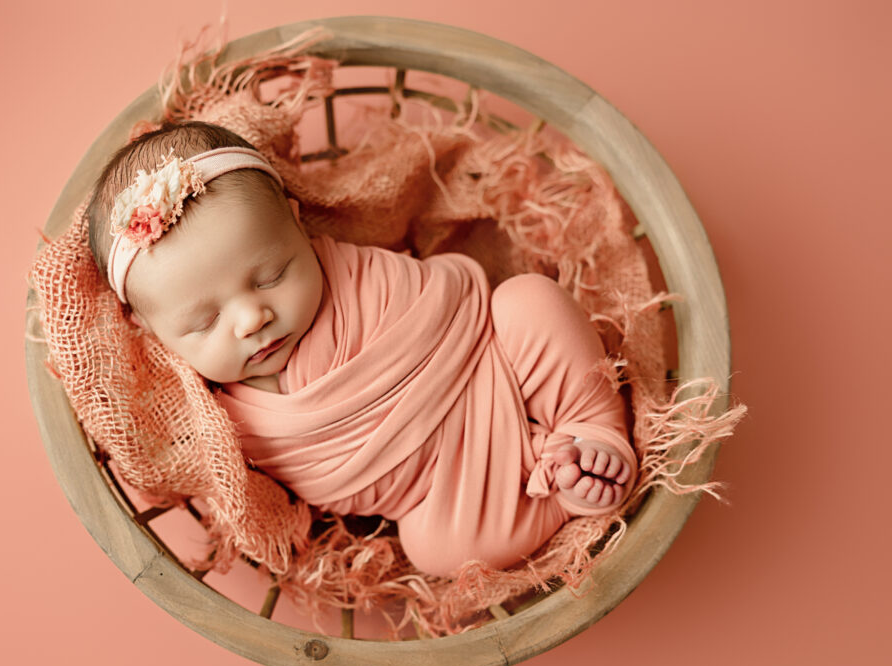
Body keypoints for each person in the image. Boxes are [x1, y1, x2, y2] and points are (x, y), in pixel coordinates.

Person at [86, 121, 637, 577]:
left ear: (299, 227)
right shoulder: (219, 420)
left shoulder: (353, 271)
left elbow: (450, 302)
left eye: (273, 274)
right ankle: (564, 495)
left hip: (492, 361)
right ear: (151, 331)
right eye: (205, 322)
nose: (252, 317)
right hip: (439, 493)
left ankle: (592, 425)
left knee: (527, 301)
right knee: (434, 549)